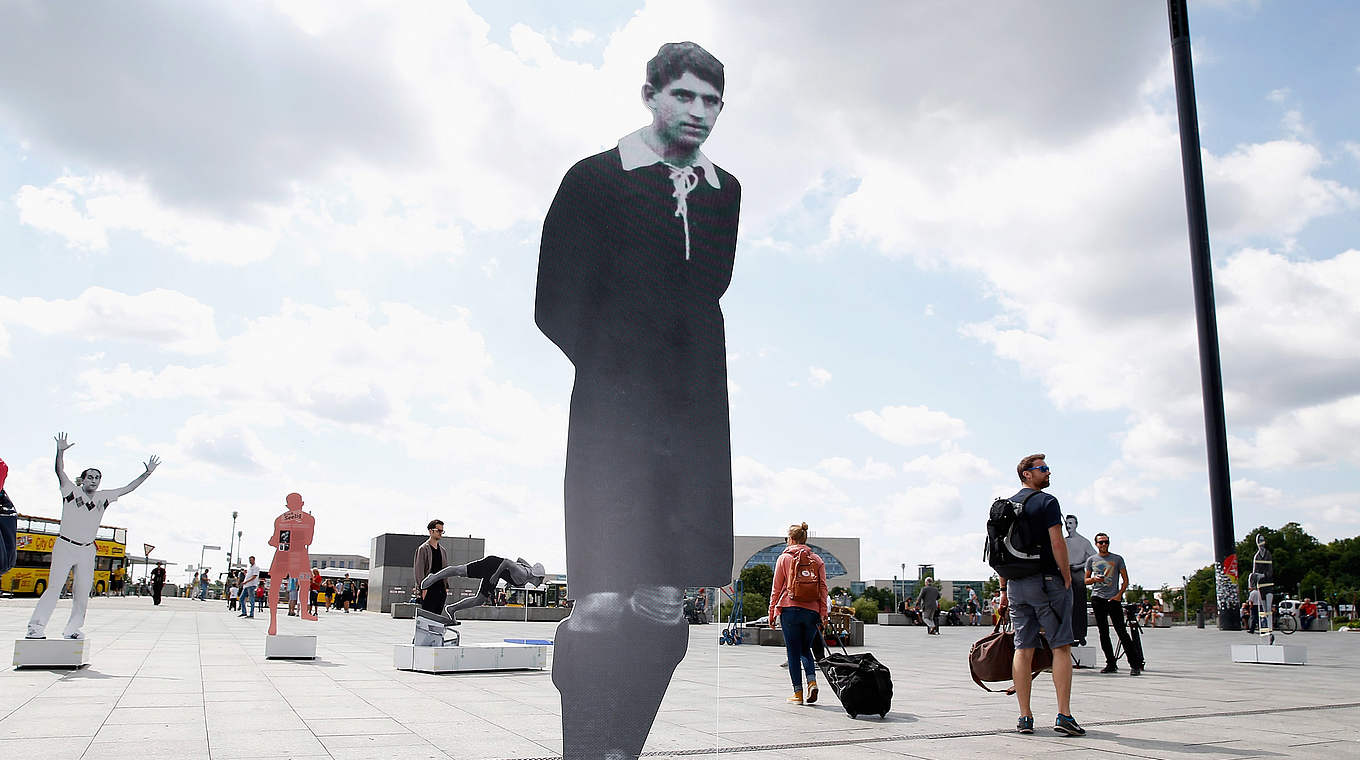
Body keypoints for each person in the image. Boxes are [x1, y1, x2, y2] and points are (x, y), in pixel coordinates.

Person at [536, 41, 740, 760]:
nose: (699, 113)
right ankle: (586, 748)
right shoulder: (594, 179)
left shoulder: (726, 192)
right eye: (685, 95)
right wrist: (617, 376)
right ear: (651, 94)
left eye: (712, 101)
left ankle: (624, 748)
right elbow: (554, 301)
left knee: (662, 599)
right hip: (611, 421)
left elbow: (705, 293)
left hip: (694, 422)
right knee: (598, 603)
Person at [27, 433, 159, 640]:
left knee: (82, 592)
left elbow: (129, 488)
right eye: (90, 477)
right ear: (83, 478)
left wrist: (147, 474)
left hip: (87, 549)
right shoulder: (70, 491)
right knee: (54, 587)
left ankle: (72, 629)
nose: (94, 481)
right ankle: (36, 627)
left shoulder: (103, 497)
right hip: (65, 545)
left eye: (97, 478)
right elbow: (59, 471)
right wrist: (60, 451)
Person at [998, 454, 1083, 737]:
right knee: (1061, 646)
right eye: (1042, 469)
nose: (1048, 472)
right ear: (1026, 474)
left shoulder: (1006, 505)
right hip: (1047, 582)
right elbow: (1057, 541)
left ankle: (1025, 717)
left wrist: (1004, 588)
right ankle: (1064, 715)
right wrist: (1067, 575)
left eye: (1047, 468)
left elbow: (1000, 551)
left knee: (1023, 648)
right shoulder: (1047, 502)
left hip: (1016, 584)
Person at [767, 522, 828, 705]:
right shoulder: (817, 560)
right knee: (805, 649)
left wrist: (771, 612)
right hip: (812, 611)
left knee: (793, 652)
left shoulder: (783, 558)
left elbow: (776, 589)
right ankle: (812, 681)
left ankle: (798, 694)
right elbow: (823, 588)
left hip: (790, 609)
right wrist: (823, 612)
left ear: (791, 539)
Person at [420, 554, 546, 625]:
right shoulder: (523, 574)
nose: (540, 583)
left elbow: (519, 559)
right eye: (540, 580)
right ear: (536, 576)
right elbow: (507, 562)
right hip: (492, 565)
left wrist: (508, 580)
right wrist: (496, 575)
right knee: (460, 571)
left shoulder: (528, 573)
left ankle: (452, 609)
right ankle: (434, 577)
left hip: (496, 573)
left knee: (479, 600)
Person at [1085, 532, 1143, 676]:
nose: (1104, 545)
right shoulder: (1091, 560)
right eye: (1101, 542)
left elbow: (1125, 579)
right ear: (1096, 544)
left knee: (1121, 631)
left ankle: (1134, 664)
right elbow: (1085, 580)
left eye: (1106, 542)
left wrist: (1119, 595)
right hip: (1097, 597)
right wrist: (1094, 579)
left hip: (1113, 599)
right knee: (1103, 632)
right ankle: (1110, 662)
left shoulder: (1117, 559)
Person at [266, 493, 317, 636]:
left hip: (282, 552)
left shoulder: (279, 519)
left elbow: (275, 540)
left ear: (287, 505)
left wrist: (274, 541)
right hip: (299, 553)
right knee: (305, 581)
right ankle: (305, 612)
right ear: (302, 503)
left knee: (275, 585)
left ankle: (273, 622)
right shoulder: (309, 519)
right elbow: (308, 541)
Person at [1064, 514, 1097, 646]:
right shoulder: (1063, 541)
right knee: (1066, 605)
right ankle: (1068, 634)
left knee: (1079, 605)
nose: (1068, 526)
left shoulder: (1084, 542)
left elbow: (1094, 558)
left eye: (1071, 523)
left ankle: (1080, 634)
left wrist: (1080, 566)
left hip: (1078, 575)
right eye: (1067, 523)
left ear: (1076, 524)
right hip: (1065, 574)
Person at [414, 519, 450, 616]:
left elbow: (445, 570)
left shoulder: (443, 551)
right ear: (430, 531)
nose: (440, 533)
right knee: (427, 620)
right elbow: (419, 570)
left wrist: (446, 587)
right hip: (428, 590)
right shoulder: (423, 549)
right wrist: (423, 589)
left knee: (437, 620)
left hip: (441, 590)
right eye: (438, 530)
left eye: (442, 531)